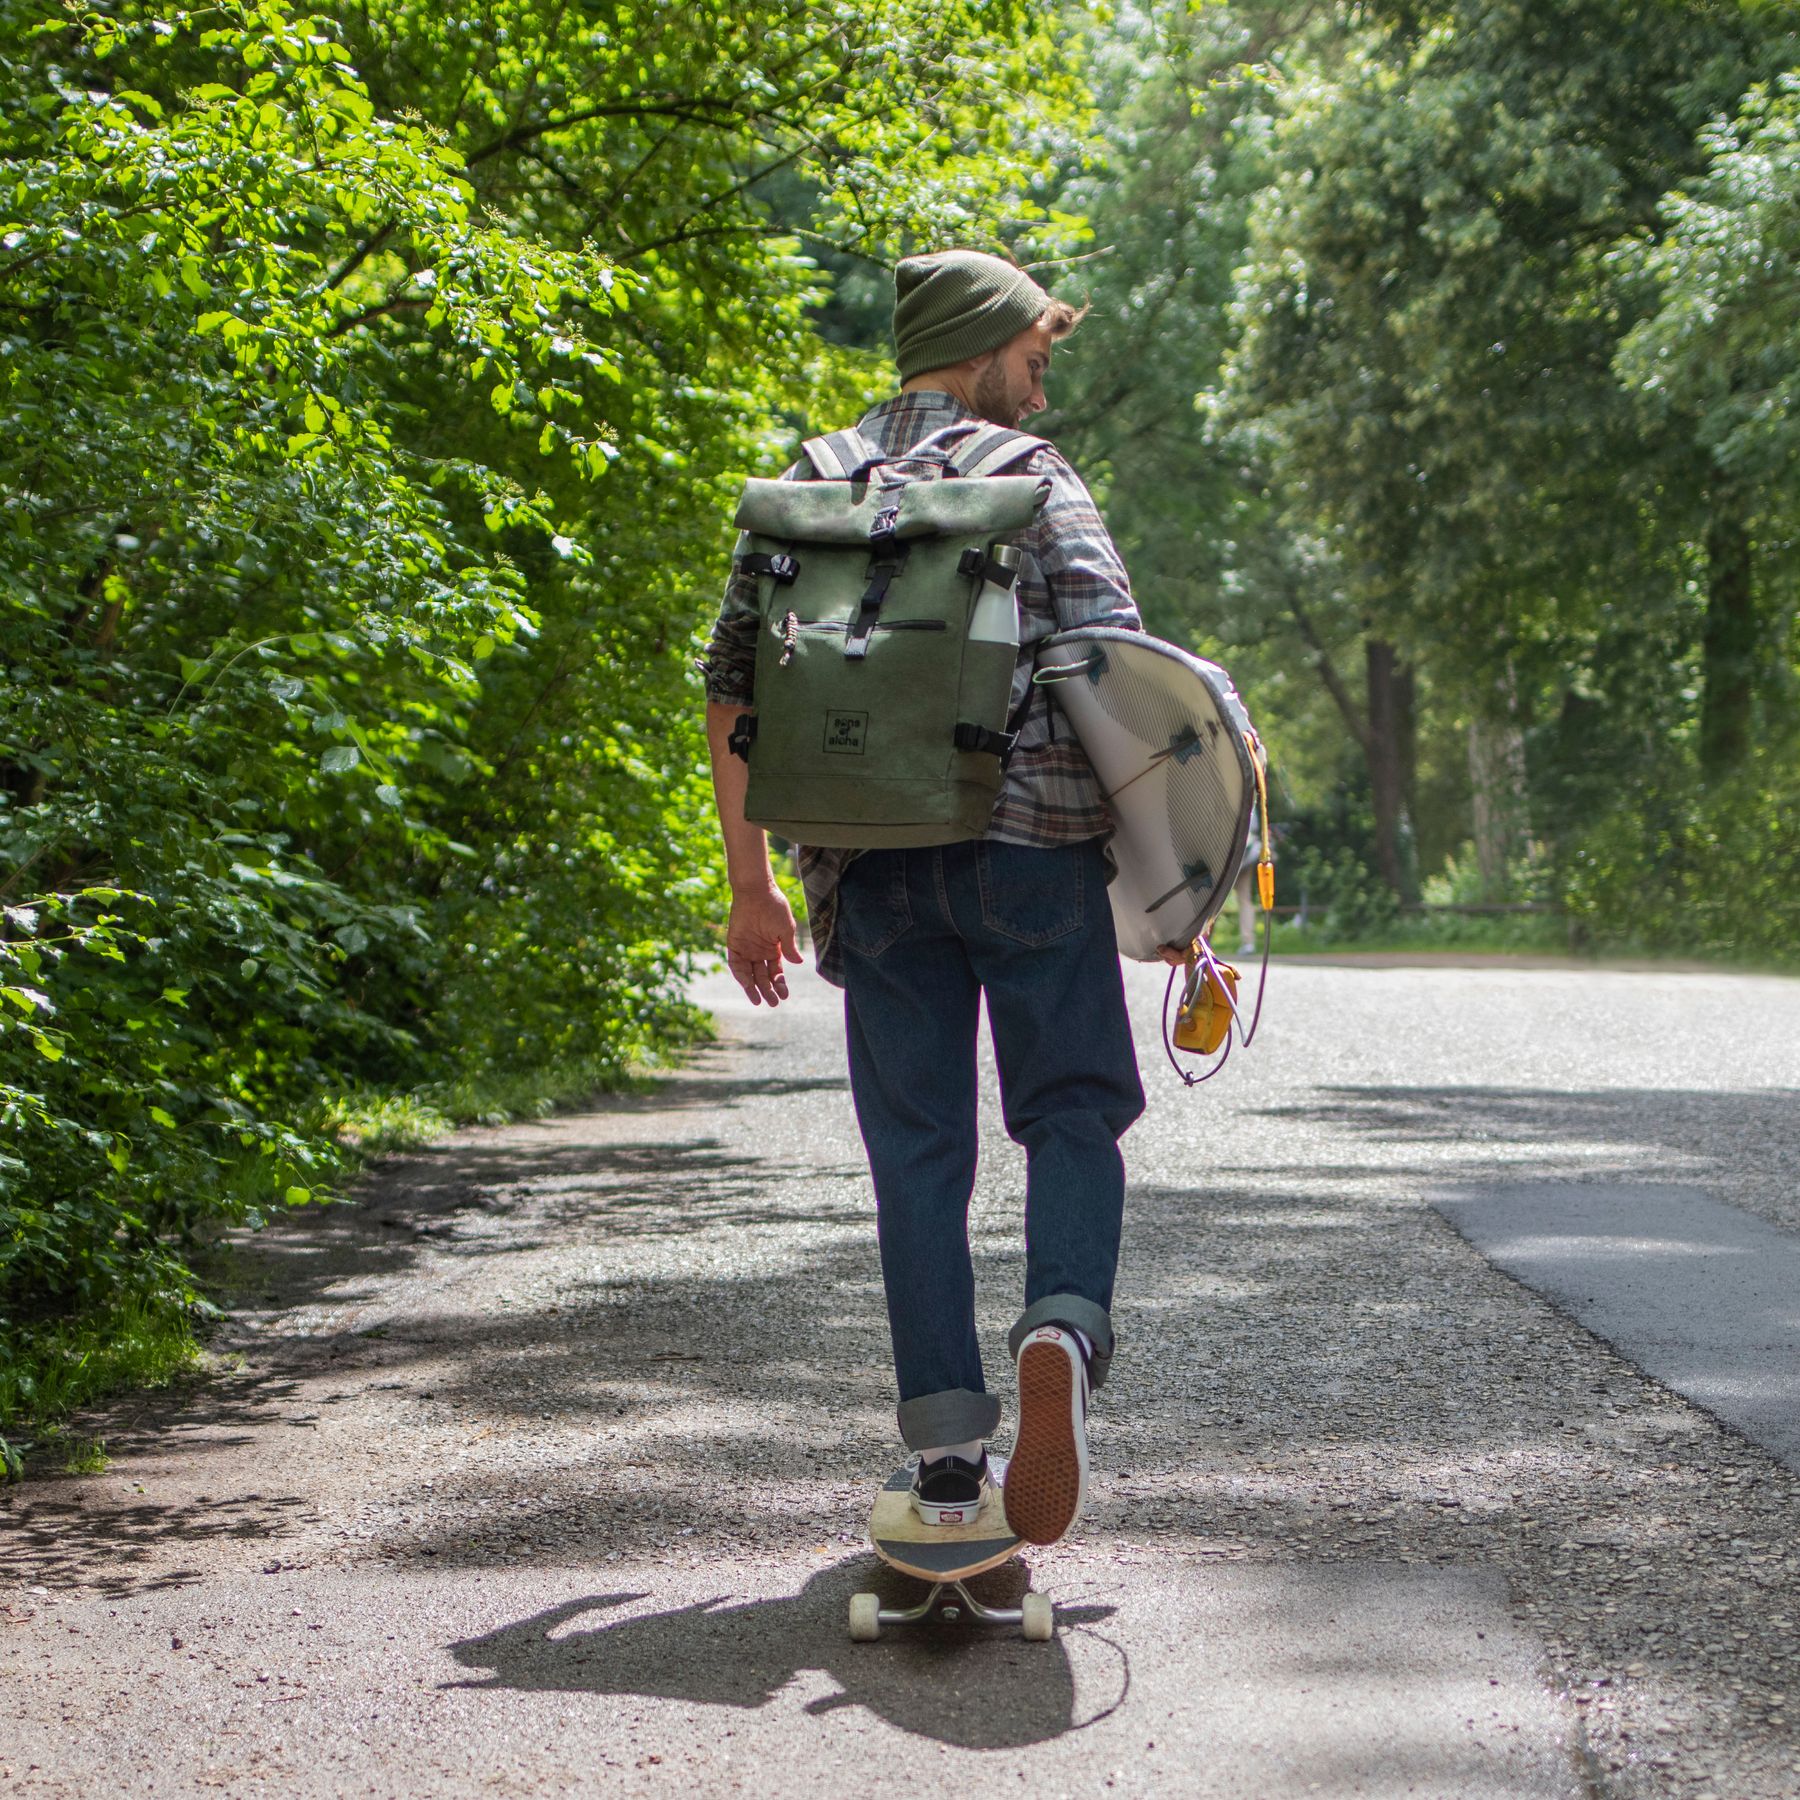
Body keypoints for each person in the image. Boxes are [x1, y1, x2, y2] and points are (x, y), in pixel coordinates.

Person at [700, 250, 1151, 1547]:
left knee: (917, 1159)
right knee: (1069, 1111)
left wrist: (751, 889)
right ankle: (1060, 1323)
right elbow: (1109, 661)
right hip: (1029, 852)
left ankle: (950, 1463)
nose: (1041, 385)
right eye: (1033, 358)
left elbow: (733, 689)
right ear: (977, 349)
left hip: (869, 863)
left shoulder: (813, 476)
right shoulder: (1030, 480)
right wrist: (1177, 884)